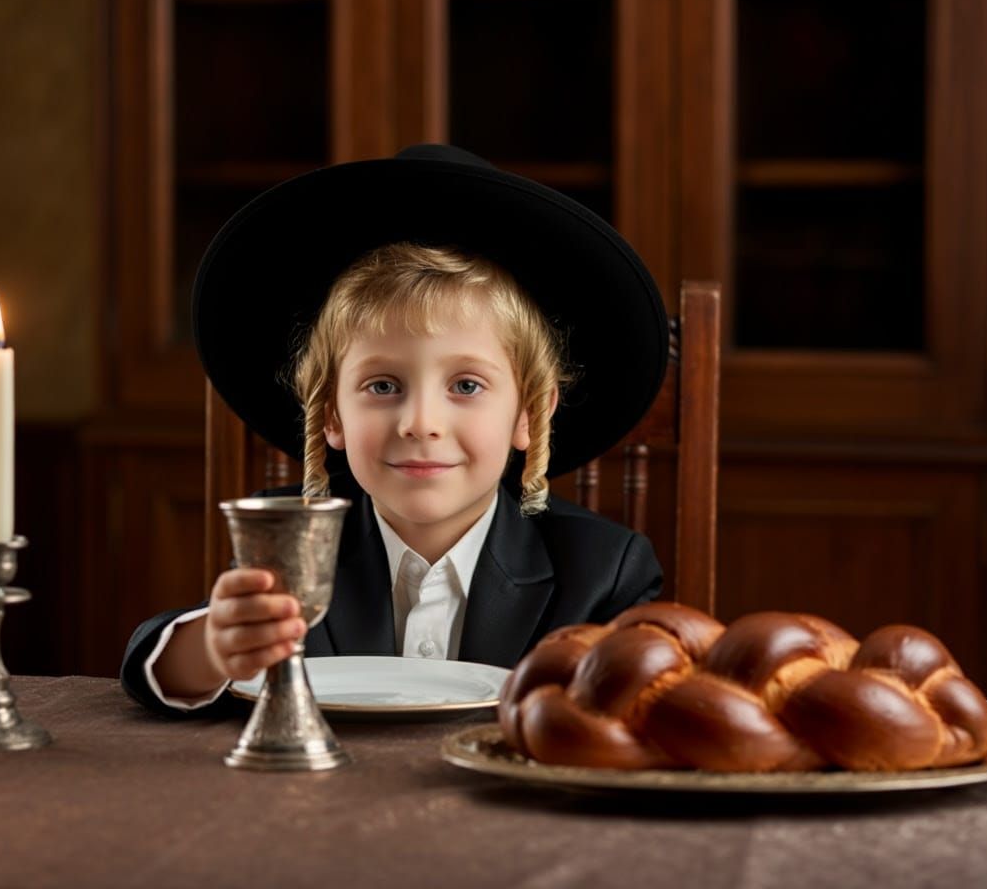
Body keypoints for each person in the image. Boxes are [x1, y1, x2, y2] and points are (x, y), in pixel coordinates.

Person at [121, 144, 671, 714]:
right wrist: (212, 648)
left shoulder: (606, 571)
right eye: (383, 386)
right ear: (331, 413)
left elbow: (629, 713)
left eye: (466, 386)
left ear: (529, 412)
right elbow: (158, 669)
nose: (421, 424)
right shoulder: (290, 548)